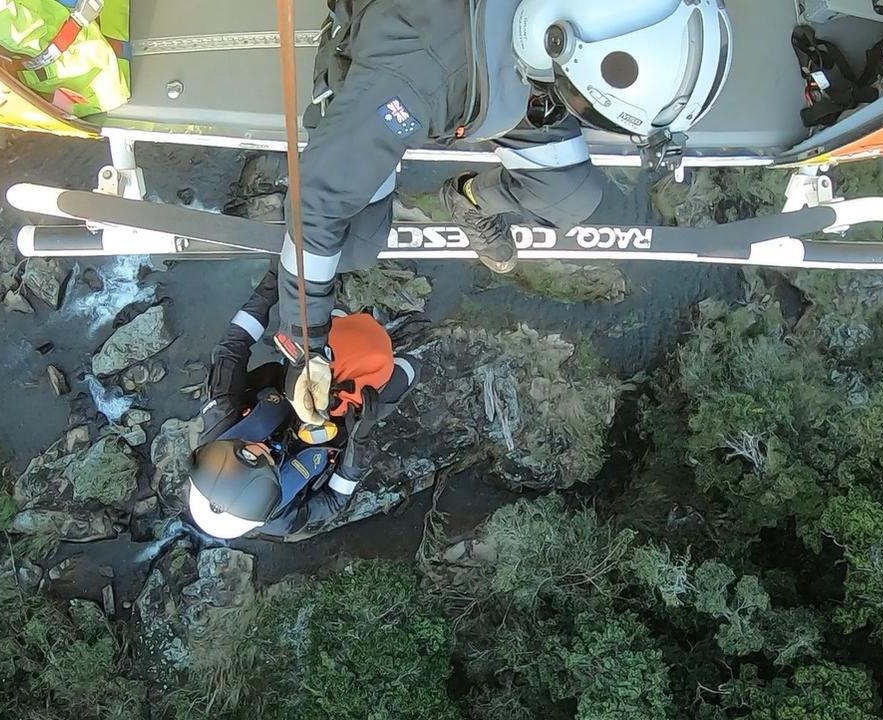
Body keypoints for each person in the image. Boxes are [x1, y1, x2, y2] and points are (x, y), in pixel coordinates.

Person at [277, 0, 732, 414]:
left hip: (503, 63)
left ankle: (468, 201)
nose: (583, 115)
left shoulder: (540, 40)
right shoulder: (414, 77)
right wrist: (307, 343)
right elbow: (318, 203)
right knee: (353, 245)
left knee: (569, 193)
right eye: (584, 104)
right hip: (435, 70)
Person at [185, 268, 418, 540]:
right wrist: (359, 440)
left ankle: (343, 320)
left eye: (244, 448)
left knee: (336, 322)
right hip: (345, 423)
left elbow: (232, 347)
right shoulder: (281, 519)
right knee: (410, 368)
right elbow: (334, 499)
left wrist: (275, 281)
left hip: (300, 384)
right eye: (264, 458)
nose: (259, 446)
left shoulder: (221, 417)